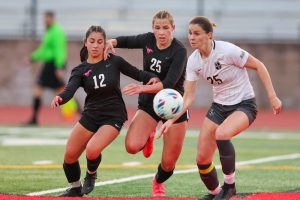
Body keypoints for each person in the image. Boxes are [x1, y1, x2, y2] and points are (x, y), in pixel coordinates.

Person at [159, 16, 282, 200]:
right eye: (190, 33)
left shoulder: (227, 50)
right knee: (202, 160)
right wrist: (171, 120)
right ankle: (217, 193)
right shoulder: (193, 61)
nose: (191, 37)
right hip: (219, 107)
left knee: (222, 134)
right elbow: (189, 97)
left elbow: (259, 65)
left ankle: (230, 186)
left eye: (197, 33)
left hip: (244, 104)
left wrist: (273, 96)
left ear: (209, 35)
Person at [51, 25, 157, 197]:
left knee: (92, 150)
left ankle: (91, 175)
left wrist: (152, 78)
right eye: (91, 41)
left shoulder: (114, 61)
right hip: (91, 115)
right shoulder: (80, 70)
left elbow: (137, 73)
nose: (95, 45)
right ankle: (76, 188)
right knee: (69, 157)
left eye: (99, 42)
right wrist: (60, 98)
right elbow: (70, 90)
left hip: (113, 116)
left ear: (104, 44)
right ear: (85, 43)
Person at [104, 10, 188, 197]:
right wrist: (112, 42)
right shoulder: (148, 40)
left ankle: (157, 181)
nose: (161, 32)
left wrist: (141, 88)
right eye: (157, 28)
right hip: (150, 104)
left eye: (166, 28)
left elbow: (168, 84)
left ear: (173, 28)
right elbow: (127, 40)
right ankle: (149, 134)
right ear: (153, 29)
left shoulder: (180, 51)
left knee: (168, 164)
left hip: (174, 108)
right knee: (132, 146)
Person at [24, 11, 68, 125]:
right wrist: (31, 58)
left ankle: (81, 114)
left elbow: (60, 50)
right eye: (44, 19)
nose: (45, 21)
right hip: (50, 63)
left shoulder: (57, 31)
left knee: (58, 90)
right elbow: (44, 50)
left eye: (47, 19)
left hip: (53, 64)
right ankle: (34, 118)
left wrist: (59, 66)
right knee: (61, 90)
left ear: (52, 19)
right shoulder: (49, 32)